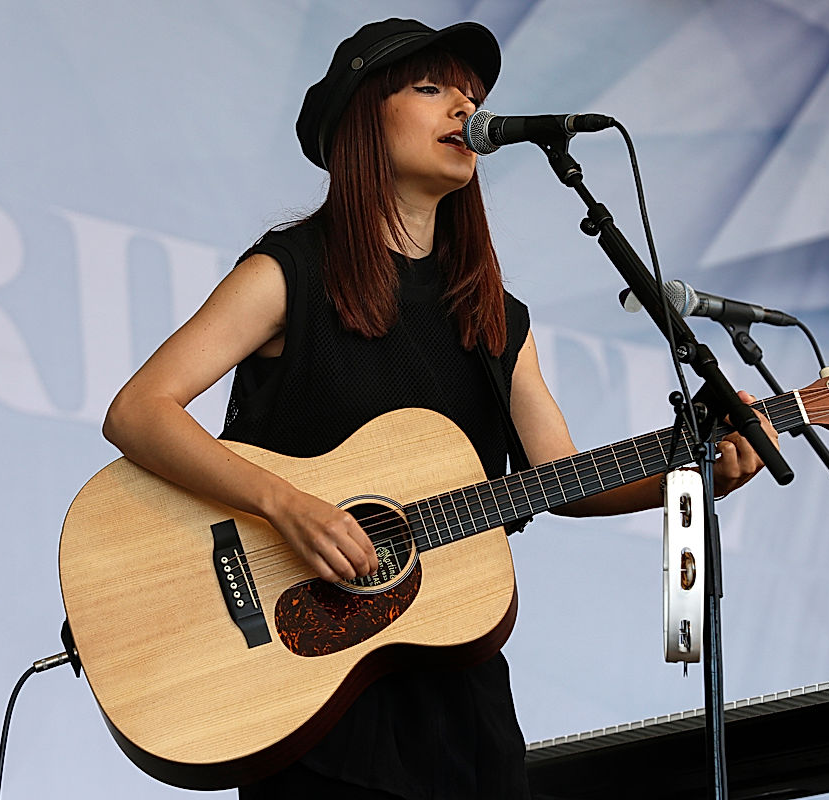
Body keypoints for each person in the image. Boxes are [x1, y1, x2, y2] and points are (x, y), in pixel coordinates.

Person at [102, 17, 776, 800]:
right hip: (309, 699)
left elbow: (562, 480)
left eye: (473, 95)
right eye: (430, 89)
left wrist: (694, 474)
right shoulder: (289, 275)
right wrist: (290, 508)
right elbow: (138, 410)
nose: (464, 108)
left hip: (460, 706)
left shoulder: (493, 317)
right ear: (363, 118)